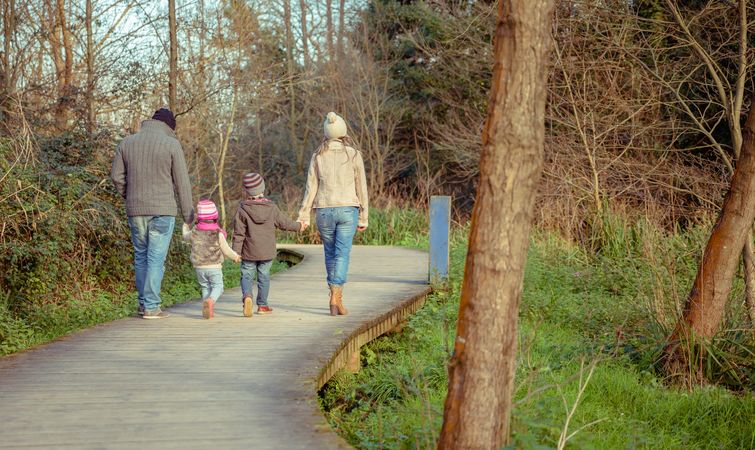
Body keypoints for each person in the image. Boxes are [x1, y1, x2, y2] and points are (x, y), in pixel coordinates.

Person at [110, 108, 194, 319]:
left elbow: (116, 177)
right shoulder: (172, 144)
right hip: (162, 211)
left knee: (140, 257)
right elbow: (182, 184)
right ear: (169, 127)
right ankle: (151, 306)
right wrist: (189, 216)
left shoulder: (126, 143)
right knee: (155, 258)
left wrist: (130, 196)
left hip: (135, 210)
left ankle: (143, 304)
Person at [297, 112, 369, 316]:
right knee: (342, 253)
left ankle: (335, 296)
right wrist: (364, 216)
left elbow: (310, 188)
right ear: (343, 131)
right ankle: (336, 296)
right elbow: (361, 187)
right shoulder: (353, 154)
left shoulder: (318, 156)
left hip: (324, 210)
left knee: (330, 253)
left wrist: (304, 215)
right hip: (348, 209)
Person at [232, 172, 303, 317]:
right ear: (262, 189)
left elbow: (238, 234)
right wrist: (299, 226)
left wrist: (235, 252)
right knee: (264, 277)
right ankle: (262, 306)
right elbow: (284, 223)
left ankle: (247, 297)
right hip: (266, 252)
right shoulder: (271, 207)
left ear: (247, 192)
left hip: (248, 252)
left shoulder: (242, 209)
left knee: (247, 275)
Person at [182, 199, 241, 319]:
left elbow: (185, 236)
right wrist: (235, 257)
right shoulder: (217, 233)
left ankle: (207, 309)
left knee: (205, 287)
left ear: (199, 217)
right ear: (215, 216)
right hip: (214, 266)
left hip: (199, 268)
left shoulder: (194, 231)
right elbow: (226, 249)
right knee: (218, 287)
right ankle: (210, 301)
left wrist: (185, 225)